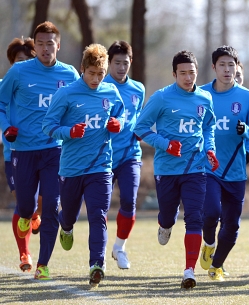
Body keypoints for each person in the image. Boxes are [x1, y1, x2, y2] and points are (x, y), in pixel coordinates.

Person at [0, 21, 80, 280]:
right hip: (22, 150)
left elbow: (79, 106)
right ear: (36, 46)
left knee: (51, 206)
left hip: (55, 150)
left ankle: (43, 264)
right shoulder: (19, 72)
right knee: (27, 206)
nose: (46, 48)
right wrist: (6, 128)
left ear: (58, 45)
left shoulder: (69, 75)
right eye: (41, 44)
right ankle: (26, 215)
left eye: (50, 43)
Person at [133, 50, 218, 290]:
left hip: (196, 167)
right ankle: (165, 223)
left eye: (192, 72)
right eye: (183, 73)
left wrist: (210, 149)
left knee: (195, 217)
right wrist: (166, 144)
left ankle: (189, 270)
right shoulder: (161, 98)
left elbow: (209, 128)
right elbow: (141, 128)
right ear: (174, 74)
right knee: (168, 215)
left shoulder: (205, 99)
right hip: (167, 169)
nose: (188, 77)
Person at [42, 43, 125, 287]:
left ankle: (96, 265)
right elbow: (48, 126)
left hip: (101, 166)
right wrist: (69, 131)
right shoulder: (66, 94)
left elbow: (120, 115)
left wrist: (116, 124)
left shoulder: (111, 92)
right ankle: (65, 227)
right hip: (71, 168)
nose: (96, 79)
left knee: (98, 215)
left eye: (101, 74)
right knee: (69, 215)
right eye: (92, 73)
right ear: (82, 69)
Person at [199, 45, 249, 281]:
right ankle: (208, 242)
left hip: (236, 169)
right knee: (212, 212)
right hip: (209, 166)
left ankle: (217, 265)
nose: (227, 69)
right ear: (214, 67)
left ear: (237, 68)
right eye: (222, 65)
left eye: (231, 65)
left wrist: (247, 134)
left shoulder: (247, 97)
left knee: (232, 225)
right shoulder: (201, 94)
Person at [104, 40, 145, 270]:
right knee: (102, 205)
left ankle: (120, 247)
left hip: (131, 154)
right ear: (109, 63)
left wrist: (140, 130)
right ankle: (99, 252)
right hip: (104, 156)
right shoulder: (101, 86)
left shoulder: (138, 89)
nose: (121, 67)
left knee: (129, 201)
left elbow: (139, 118)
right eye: (117, 63)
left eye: (125, 63)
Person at [3, 37, 40, 273]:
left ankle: (37, 213)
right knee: (23, 205)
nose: (23, 64)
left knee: (48, 200)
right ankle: (24, 253)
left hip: (46, 152)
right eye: (19, 60)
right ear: (12, 64)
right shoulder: (5, 85)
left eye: (28, 60)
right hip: (14, 155)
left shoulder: (42, 87)